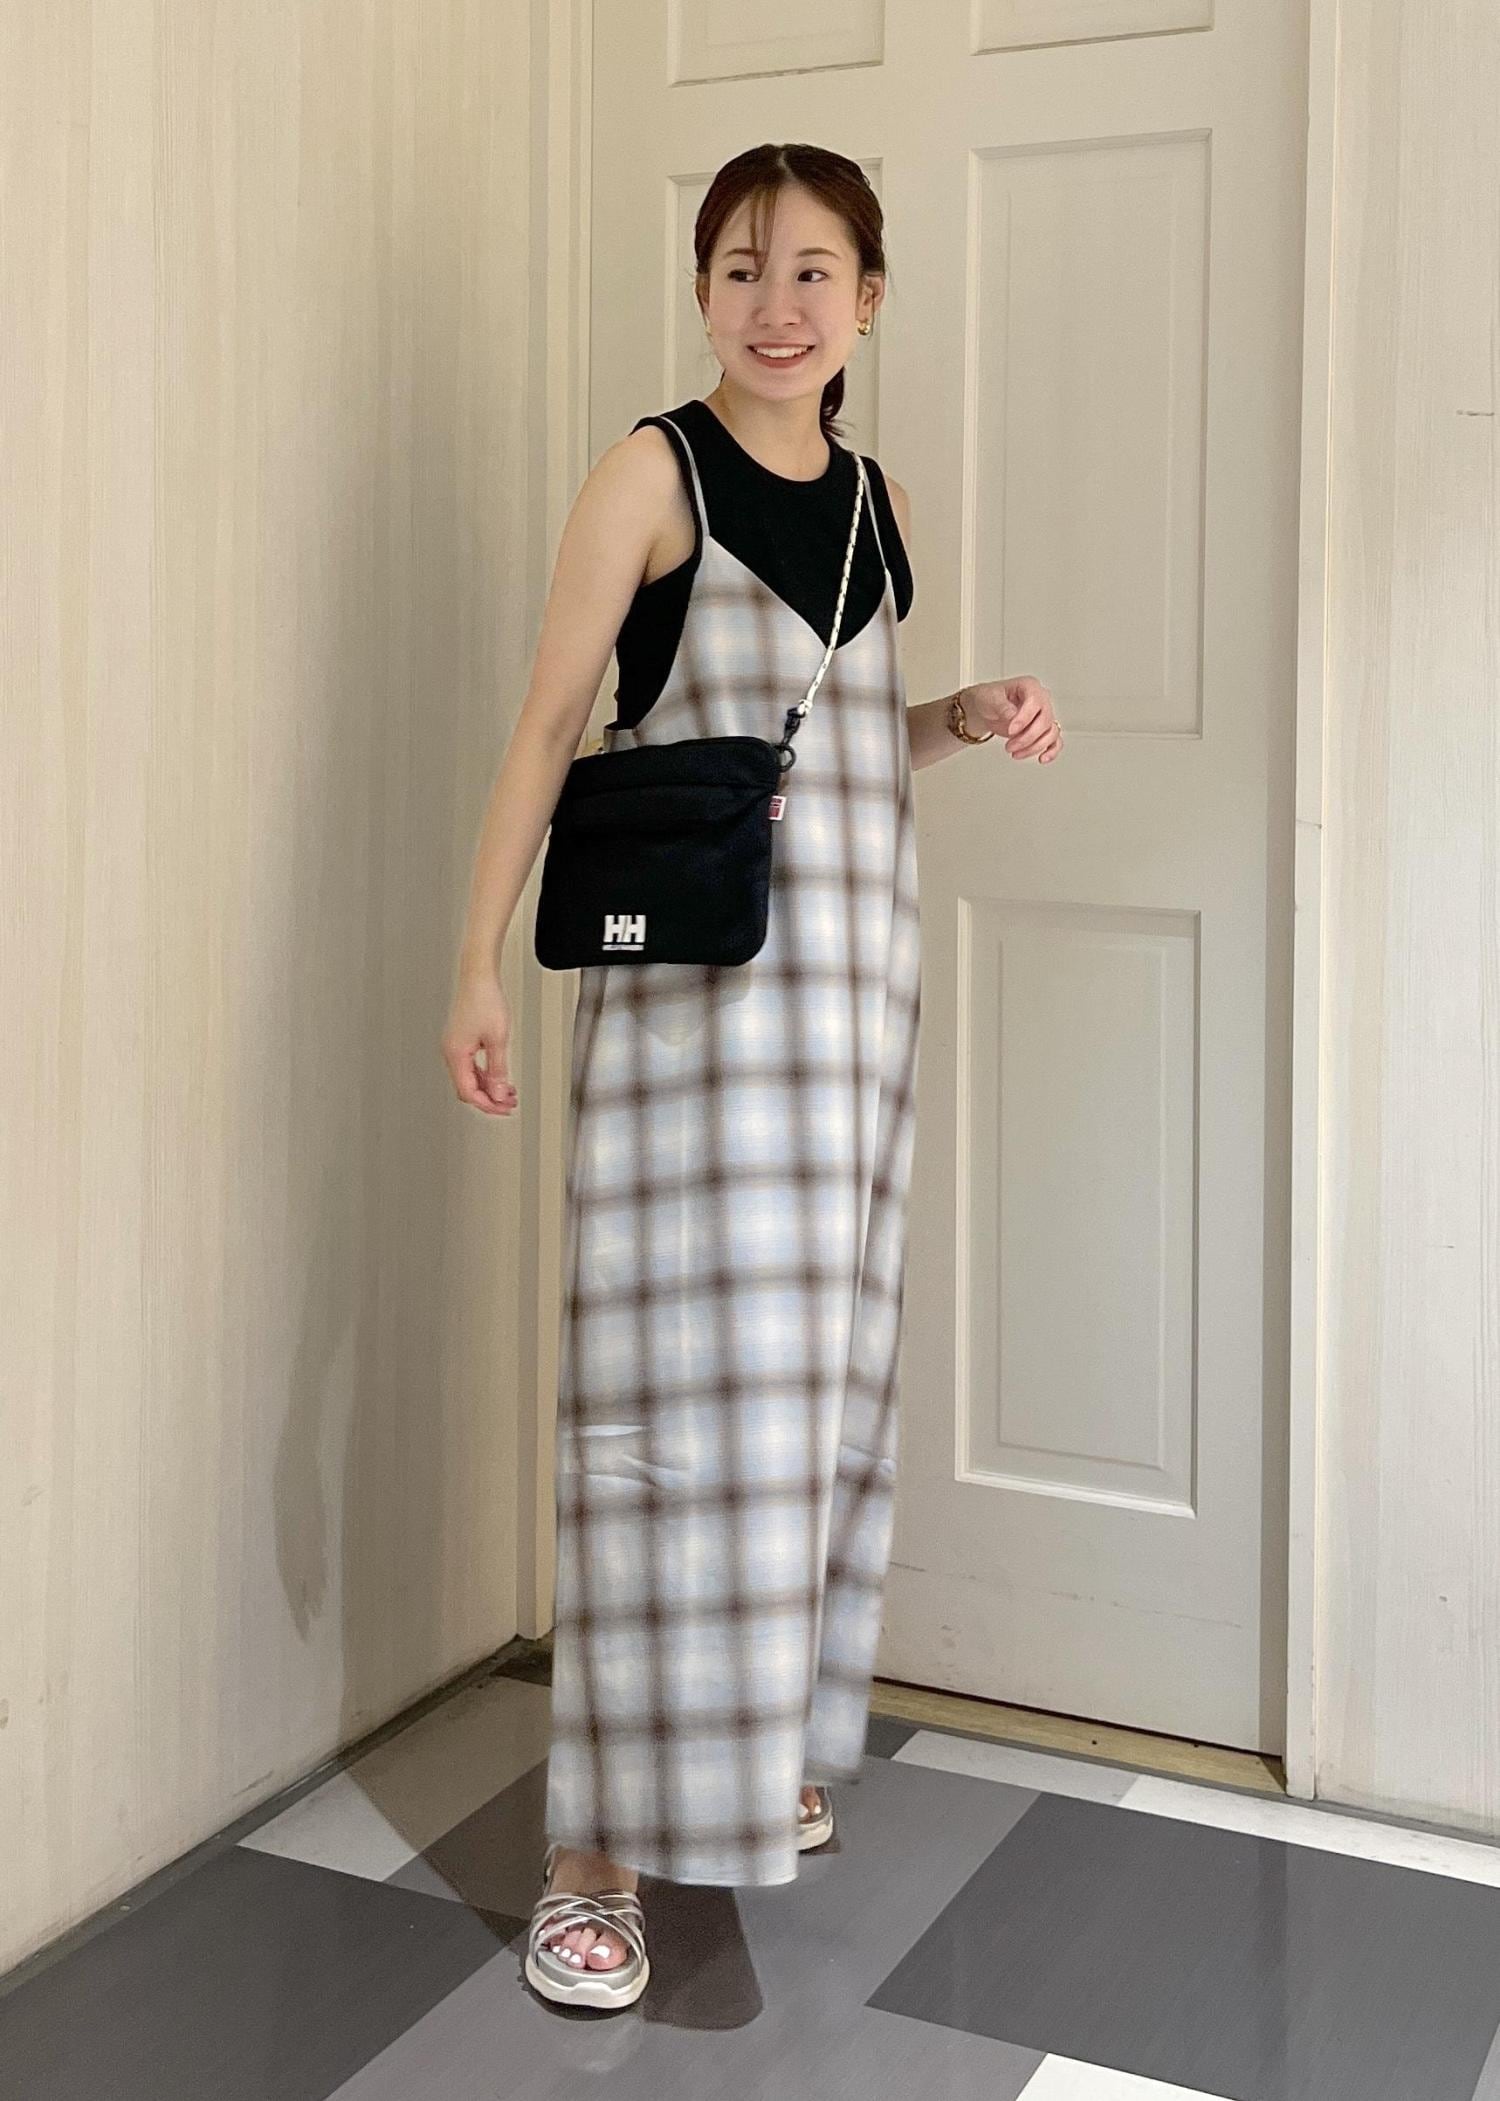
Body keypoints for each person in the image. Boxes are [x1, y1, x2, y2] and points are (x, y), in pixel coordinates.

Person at [441, 140, 1061, 2012]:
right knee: (661, 1412)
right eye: (739, 267)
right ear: (701, 288)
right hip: (695, 1038)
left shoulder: (875, 505)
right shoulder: (653, 475)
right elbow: (553, 723)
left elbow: (827, 747)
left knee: (809, 1403)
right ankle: (593, 1855)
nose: (774, 304)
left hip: (851, 1029)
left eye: (811, 272)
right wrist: (472, 959)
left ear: (867, 299)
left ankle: (743, 1751)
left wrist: (959, 715)